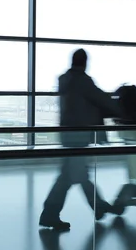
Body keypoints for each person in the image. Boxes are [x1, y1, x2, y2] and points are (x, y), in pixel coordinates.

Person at [39, 49, 121, 231]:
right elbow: (101, 99)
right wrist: (120, 109)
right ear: (85, 63)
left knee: (76, 175)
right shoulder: (82, 81)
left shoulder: (65, 80)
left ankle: (97, 207)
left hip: (67, 135)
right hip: (79, 136)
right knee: (70, 178)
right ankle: (50, 214)